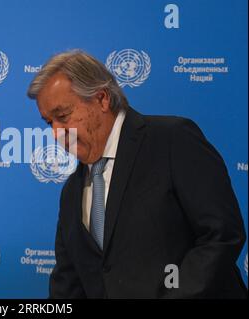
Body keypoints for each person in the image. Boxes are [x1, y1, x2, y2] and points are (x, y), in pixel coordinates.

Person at [27, 50, 247, 298]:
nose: (56, 133)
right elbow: (68, 284)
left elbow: (221, 235)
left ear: (101, 99)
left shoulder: (172, 140)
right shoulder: (71, 191)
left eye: (63, 116)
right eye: (49, 123)